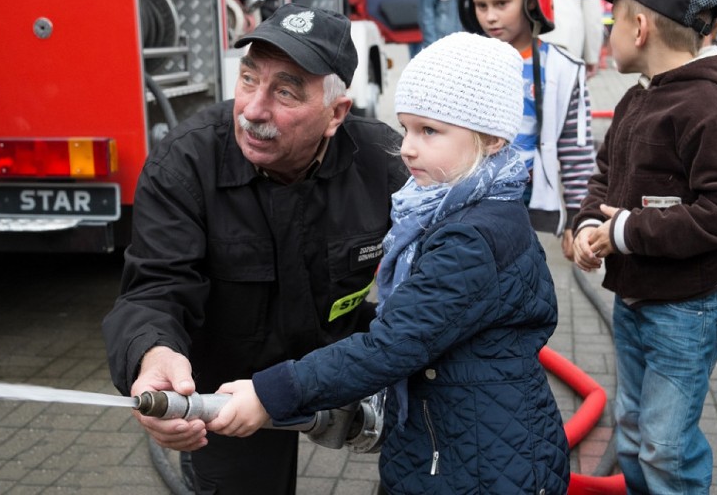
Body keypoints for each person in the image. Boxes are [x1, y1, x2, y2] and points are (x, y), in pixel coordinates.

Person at [209, 31, 571, 495]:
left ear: (492, 138)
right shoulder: (463, 209)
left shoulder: (473, 238)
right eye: (406, 128)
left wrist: (271, 393)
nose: (408, 148)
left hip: (479, 467)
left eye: (430, 131)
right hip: (450, 444)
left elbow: (393, 345)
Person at [101, 3, 409, 494]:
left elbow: (449, 274)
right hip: (228, 382)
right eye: (248, 80)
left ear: (336, 113)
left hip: (344, 361)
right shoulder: (186, 163)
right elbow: (155, 286)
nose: (253, 109)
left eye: (285, 91)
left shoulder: (383, 164)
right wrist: (151, 353)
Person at [572, 0, 717, 494]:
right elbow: (606, 174)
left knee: (664, 444)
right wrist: (588, 225)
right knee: (632, 432)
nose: (606, 33)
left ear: (640, 25)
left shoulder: (708, 107)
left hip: (685, 312)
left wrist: (626, 233)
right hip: (636, 301)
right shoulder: (637, 98)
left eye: (611, 19)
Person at [436, 0, 596, 261]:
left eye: (501, 3)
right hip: (469, 194)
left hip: (525, 193)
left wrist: (577, 219)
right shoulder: (461, 62)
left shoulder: (562, 70)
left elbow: (575, 151)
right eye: (481, 5)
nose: (490, 16)